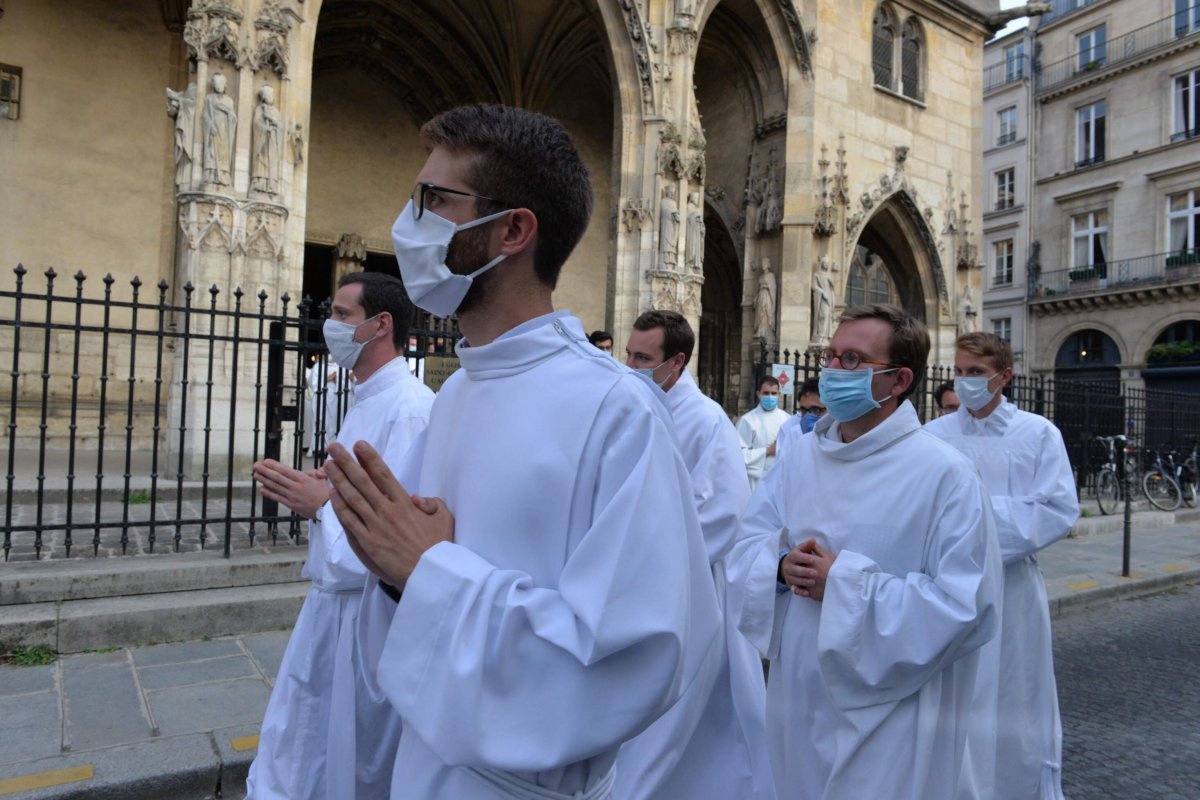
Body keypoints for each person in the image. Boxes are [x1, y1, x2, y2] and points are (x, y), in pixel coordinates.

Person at [324, 104, 722, 800]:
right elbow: (408, 597)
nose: (409, 224)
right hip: (427, 765)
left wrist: (428, 571)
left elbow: (635, 659)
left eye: (435, 202)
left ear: (512, 229)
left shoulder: (615, 410)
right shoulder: (457, 395)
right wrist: (392, 570)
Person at [727, 303, 1003, 800]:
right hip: (798, 694)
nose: (831, 371)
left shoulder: (944, 474)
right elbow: (749, 543)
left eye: (852, 360)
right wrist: (779, 566)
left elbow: (966, 605)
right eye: (831, 356)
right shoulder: (802, 457)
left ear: (898, 381)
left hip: (889, 707)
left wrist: (844, 583)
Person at [247, 272, 434, 800]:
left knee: (345, 755)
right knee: (303, 739)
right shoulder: (368, 395)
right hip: (331, 611)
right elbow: (357, 490)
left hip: (365, 616)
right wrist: (320, 491)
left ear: (381, 325)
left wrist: (323, 505)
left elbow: (396, 535)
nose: (330, 325)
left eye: (341, 315)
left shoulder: (412, 408)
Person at [620, 310, 775, 800]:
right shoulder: (633, 406)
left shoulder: (706, 420)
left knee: (687, 717)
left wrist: (655, 554)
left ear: (676, 362)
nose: (630, 364)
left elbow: (727, 514)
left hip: (693, 587)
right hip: (638, 583)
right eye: (629, 353)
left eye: (642, 357)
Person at [926, 332, 1080, 800]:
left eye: (976, 372)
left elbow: (1056, 508)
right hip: (948, 590)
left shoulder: (1037, 434)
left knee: (1014, 694)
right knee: (954, 698)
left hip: (1011, 589)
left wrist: (975, 526)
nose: (965, 381)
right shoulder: (934, 436)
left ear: (1003, 376)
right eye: (960, 370)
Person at [736, 375, 790, 491]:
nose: (770, 397)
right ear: (758, 394)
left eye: (773, 393)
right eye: (766, 393)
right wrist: (767, 451)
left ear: (779, 395)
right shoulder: (747, 420)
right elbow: (738, 455)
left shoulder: (787, 420)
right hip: (756, 482)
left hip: (781, 480)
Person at [774, 377, 825, 456]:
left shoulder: (842, 432)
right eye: (803, 410)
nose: (808, 416)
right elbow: (782, 465)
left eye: (815, 410)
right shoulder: (789, 429)